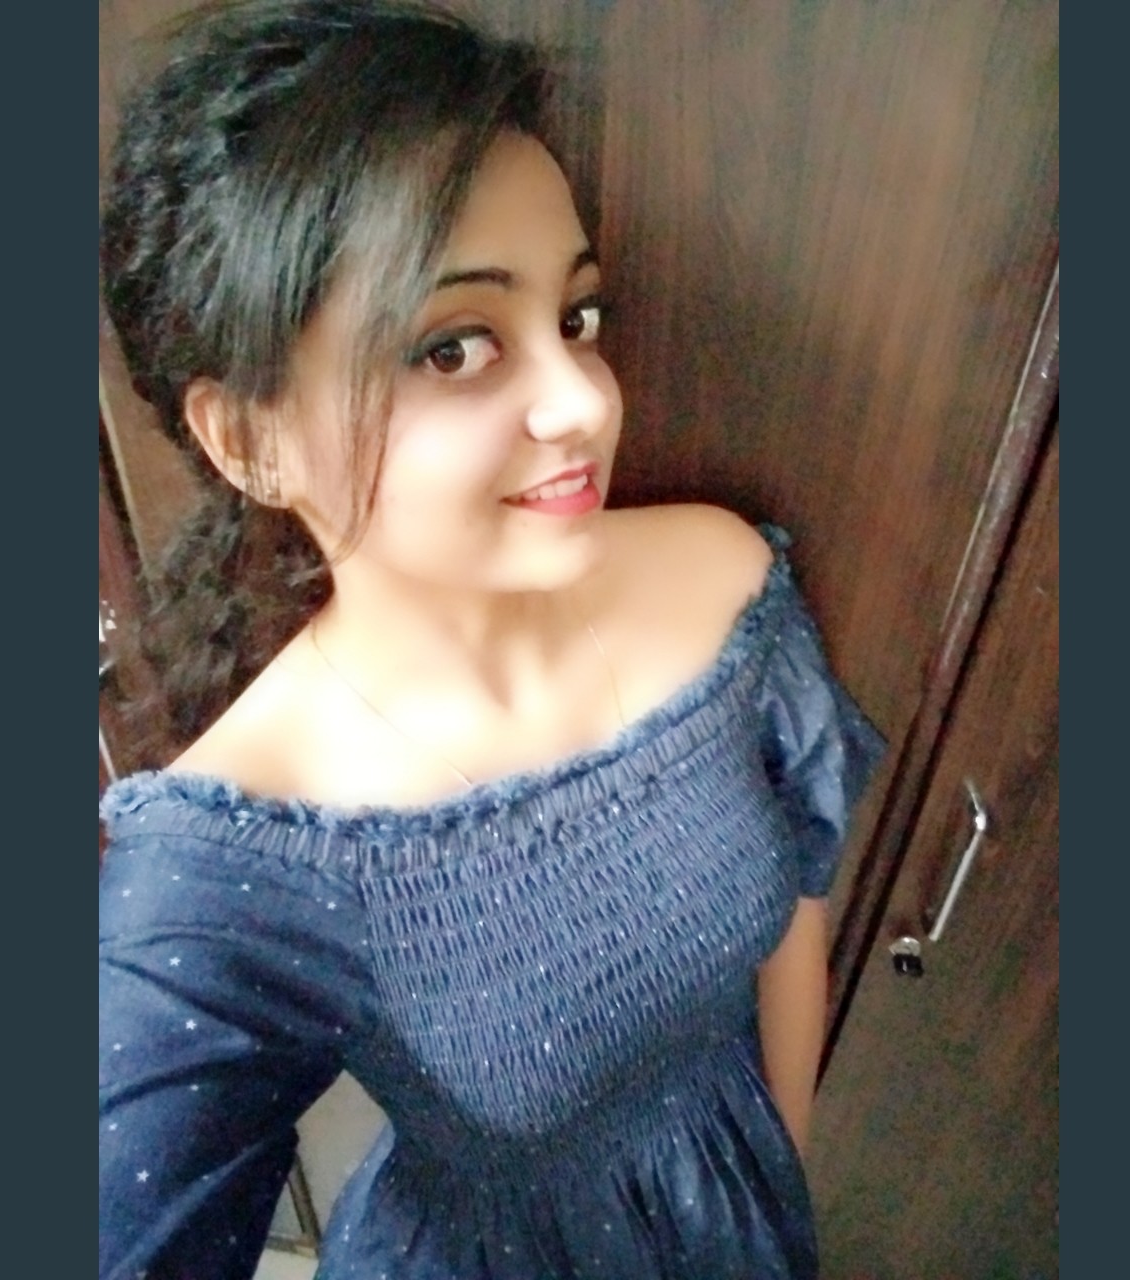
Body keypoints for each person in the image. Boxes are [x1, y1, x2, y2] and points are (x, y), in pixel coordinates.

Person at [98, 2, 885, 1277]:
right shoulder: (237, 855)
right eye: (453, 346)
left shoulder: (718, 579)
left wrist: (772, 1178)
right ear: (251, 440)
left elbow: (797, 902)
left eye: (576, 316)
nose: (581, 400)